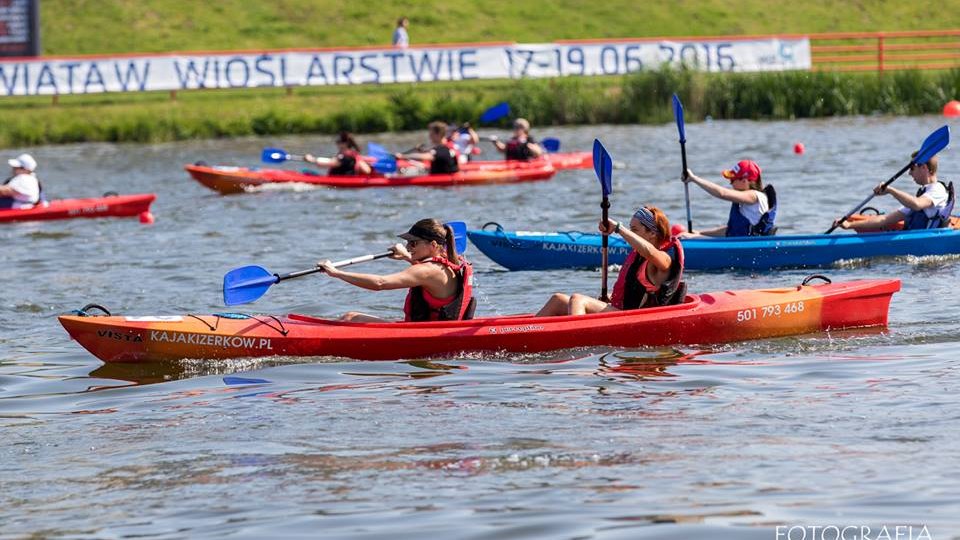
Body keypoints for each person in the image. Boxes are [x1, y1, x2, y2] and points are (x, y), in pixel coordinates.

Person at [536, 206, 685, 316]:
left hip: (634, 319)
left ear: (652, 233)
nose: (631, 234)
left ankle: (576, 341)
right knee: (558, 299)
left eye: (634, 230)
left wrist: (618, 228)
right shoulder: (638, 257)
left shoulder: (664, 258)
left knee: (578, 299)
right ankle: (528, 333)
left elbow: (650, 251)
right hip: (621, 312)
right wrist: (610, 298)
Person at [318, 218, 474, 323]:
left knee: (350, 317)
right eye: (407, 243)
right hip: (431, 330)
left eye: (413, 243)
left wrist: (336, 272)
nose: (408, 247)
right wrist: (407, 256)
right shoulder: (448, 260)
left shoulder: (426, 270)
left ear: (433, 245)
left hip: (420, 336)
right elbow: (429, 272)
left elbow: (380, 283)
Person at [834, 153, 954, 232]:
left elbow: (916, 204)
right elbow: (885, 220)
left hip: (928, 249)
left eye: (912, 168)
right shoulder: (923, 193)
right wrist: (850, 225)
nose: (909, 173)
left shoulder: (937, 190)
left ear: (924, 168)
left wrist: (891, 190)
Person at [679, 160, 778, 237]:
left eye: (732, 180)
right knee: (687, 236)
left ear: (745, 181)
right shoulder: (747, 202)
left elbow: (722, 193)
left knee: (683, 238)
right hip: (739, 243)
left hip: (745, 245)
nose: (730, 183)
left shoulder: (754, 196)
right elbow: (729, 231)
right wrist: (698, 233)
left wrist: (694, 178)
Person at [304, 132, 372, 176]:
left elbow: (331, 163)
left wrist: (312, 159)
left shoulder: (347, 156)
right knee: (306, 171)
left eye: (339, 142)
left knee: (306, 172)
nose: (337, 144)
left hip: (342, 180)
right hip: (338, 179)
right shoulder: (352, 154)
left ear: (346, 143)